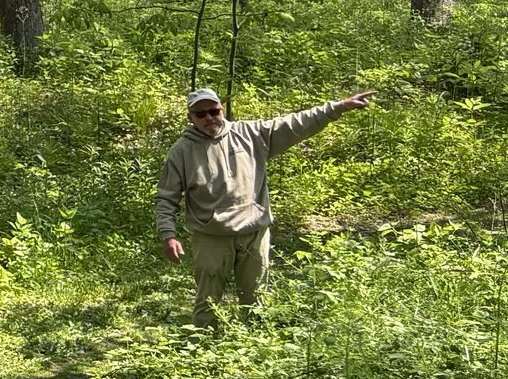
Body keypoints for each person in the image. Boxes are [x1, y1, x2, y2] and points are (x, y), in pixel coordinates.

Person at [156, 86, 374, 328]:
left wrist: (338, 107)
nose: (209, 118)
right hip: (211, 236)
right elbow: (166, 197)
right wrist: (169, 235)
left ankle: (254, 344)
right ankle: (201, 346)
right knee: (208, 300)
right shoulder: (182, 151)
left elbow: (295, 123)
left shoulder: (250, 134)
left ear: (222, 110)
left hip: (254, 231)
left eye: (213, 111)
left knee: (256, 297)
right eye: (201, 114)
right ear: (191, 118)